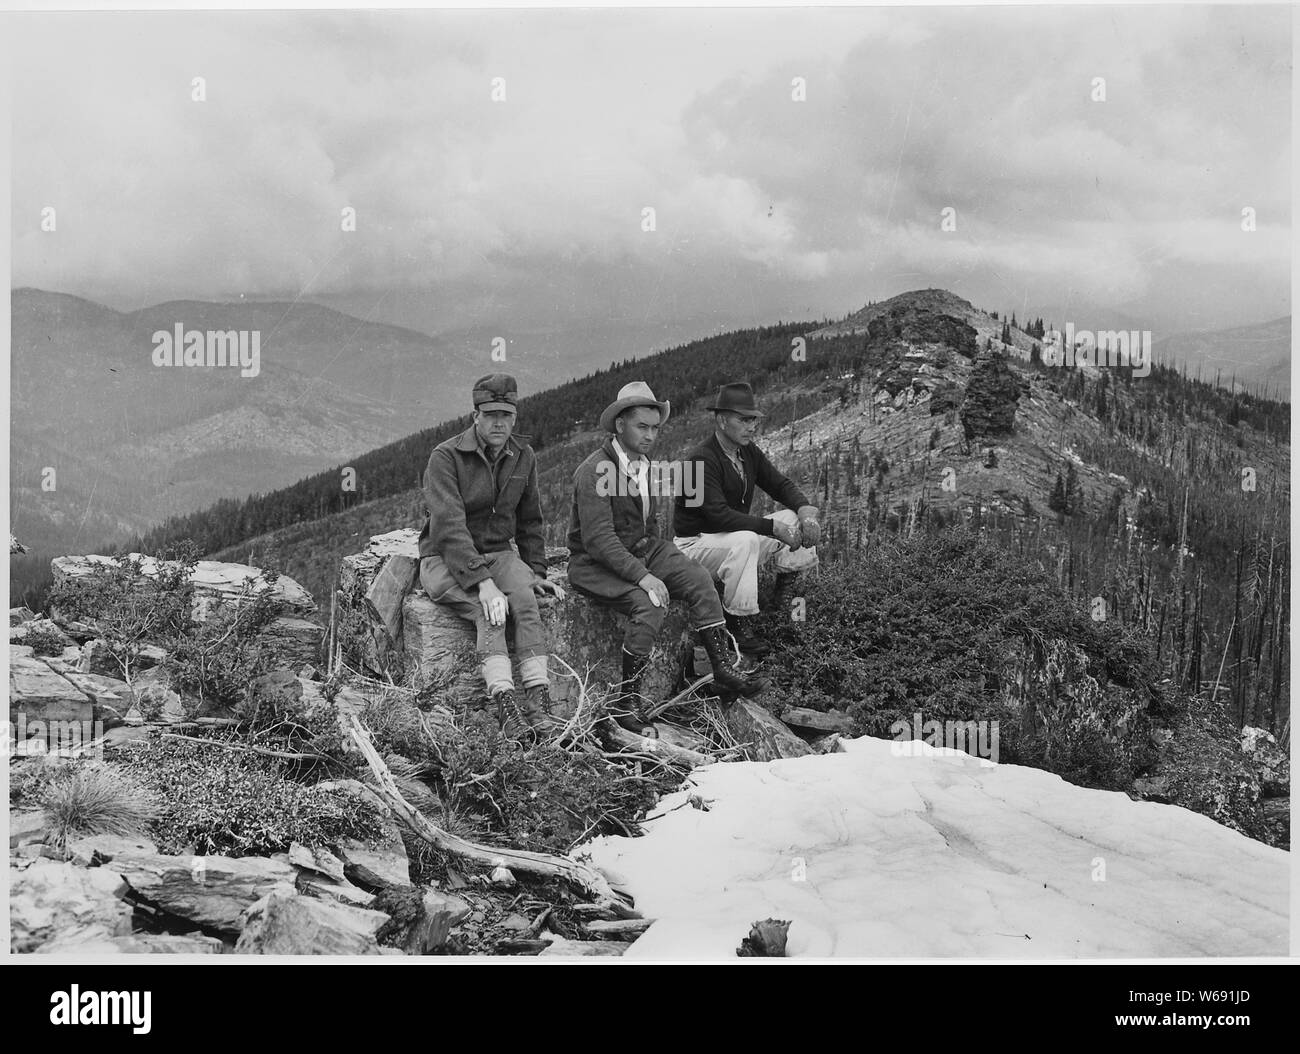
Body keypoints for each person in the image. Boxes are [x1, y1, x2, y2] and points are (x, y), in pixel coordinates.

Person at [566, 381, 767, 736]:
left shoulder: (642, 465)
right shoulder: (595, 470)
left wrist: (662, 557)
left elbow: (650, 522)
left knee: (698, 579)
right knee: (651, 603)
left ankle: (721, 666)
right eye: (642, 426)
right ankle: (626, 701)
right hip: (594, 563)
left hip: (642, 548)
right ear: (619, 425)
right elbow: (599, 541)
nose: (649, 435)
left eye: (655, 428)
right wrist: (644, 576)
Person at [417, 373, 564, 744]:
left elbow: (530, 520)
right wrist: (484, 584)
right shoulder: (446, 457)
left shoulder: (523, 456)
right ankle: (505, 705)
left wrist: (536, 570)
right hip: (446, 559)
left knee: (527, 602)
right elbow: (448, 527)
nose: (499, 422)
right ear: (475, 415)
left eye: (507, 414)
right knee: (491, 612)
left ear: (515, 416)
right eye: (490, 414)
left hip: (499, 555)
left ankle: (538, 702)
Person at [673, 381, 820, 656]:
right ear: (721, 420)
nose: (752, 426)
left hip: (732, 539)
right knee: (747, 539)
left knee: (791, 518)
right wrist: (773, 528)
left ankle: (784, 596)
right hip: (694, 547)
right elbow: (718, 517)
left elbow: (778, 484)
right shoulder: (696, 462)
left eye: (754, 419)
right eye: (744, 420)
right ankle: (736, 624)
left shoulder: (746, 451)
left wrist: (805, 510)